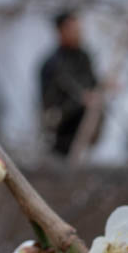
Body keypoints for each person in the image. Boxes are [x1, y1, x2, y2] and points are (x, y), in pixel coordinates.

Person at [39, 11, 98, 157]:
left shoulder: (84, 57)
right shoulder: (52, 63)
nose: (78, 33)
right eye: (73, 29)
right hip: (62, 130)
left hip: (85, 128)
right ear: (61, 31)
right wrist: (82, 98)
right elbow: (53, 98)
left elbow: (92, 82)